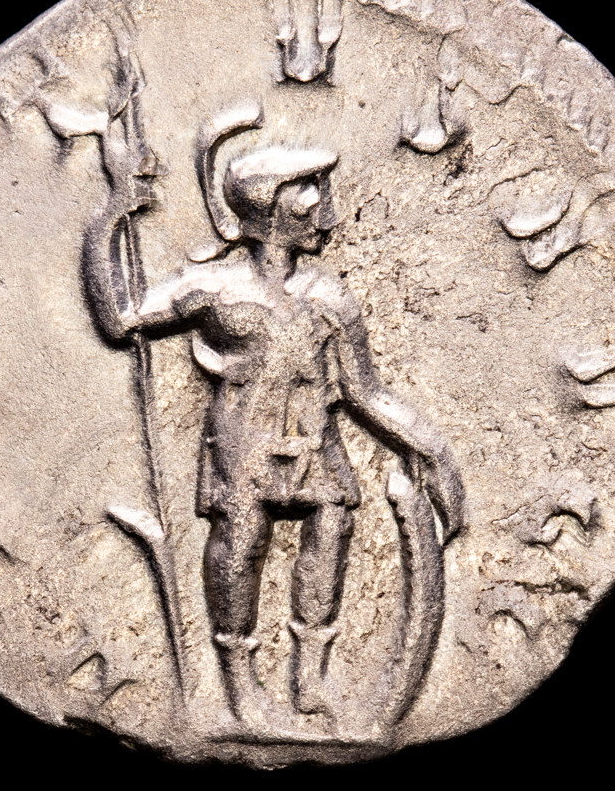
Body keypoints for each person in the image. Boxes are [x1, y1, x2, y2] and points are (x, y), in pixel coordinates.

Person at [84, 133, 464, 728]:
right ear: (271, 204)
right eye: (310, 190)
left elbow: (365, 394)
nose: (324, 208)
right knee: (240, 543)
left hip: (314, 437)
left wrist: (430, 449)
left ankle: (309, 678)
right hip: (241, 443)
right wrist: (111, 216)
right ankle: (240, 685)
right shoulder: (213, 289)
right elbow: (120, 319)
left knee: (332, 526)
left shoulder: (330, 298)